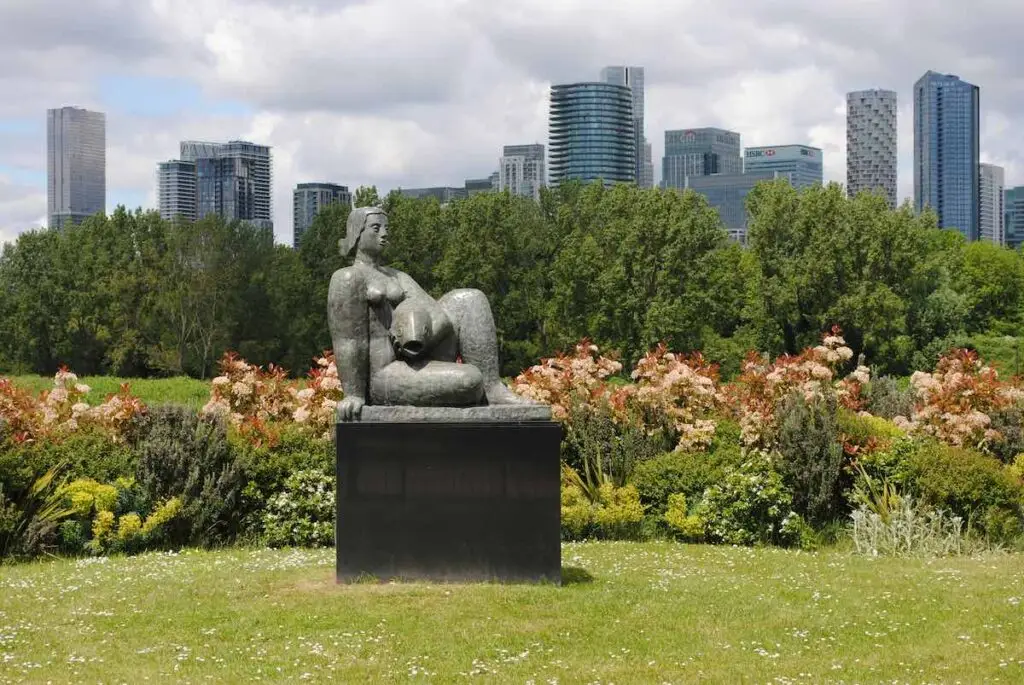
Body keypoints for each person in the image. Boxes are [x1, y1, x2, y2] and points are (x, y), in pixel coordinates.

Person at [328, 206, 536, 420]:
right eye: (376, 228)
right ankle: (482, 385)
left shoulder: (398, 276)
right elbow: (348, 341)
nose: (384, 234)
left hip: (419, 357)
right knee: (471, 380)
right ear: (357, 233)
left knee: (471, 298)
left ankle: (493, 388)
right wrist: (353, 395)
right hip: (385, 376)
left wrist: (418, 333)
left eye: (386, 228)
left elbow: (435, 311)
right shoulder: (348, 278)